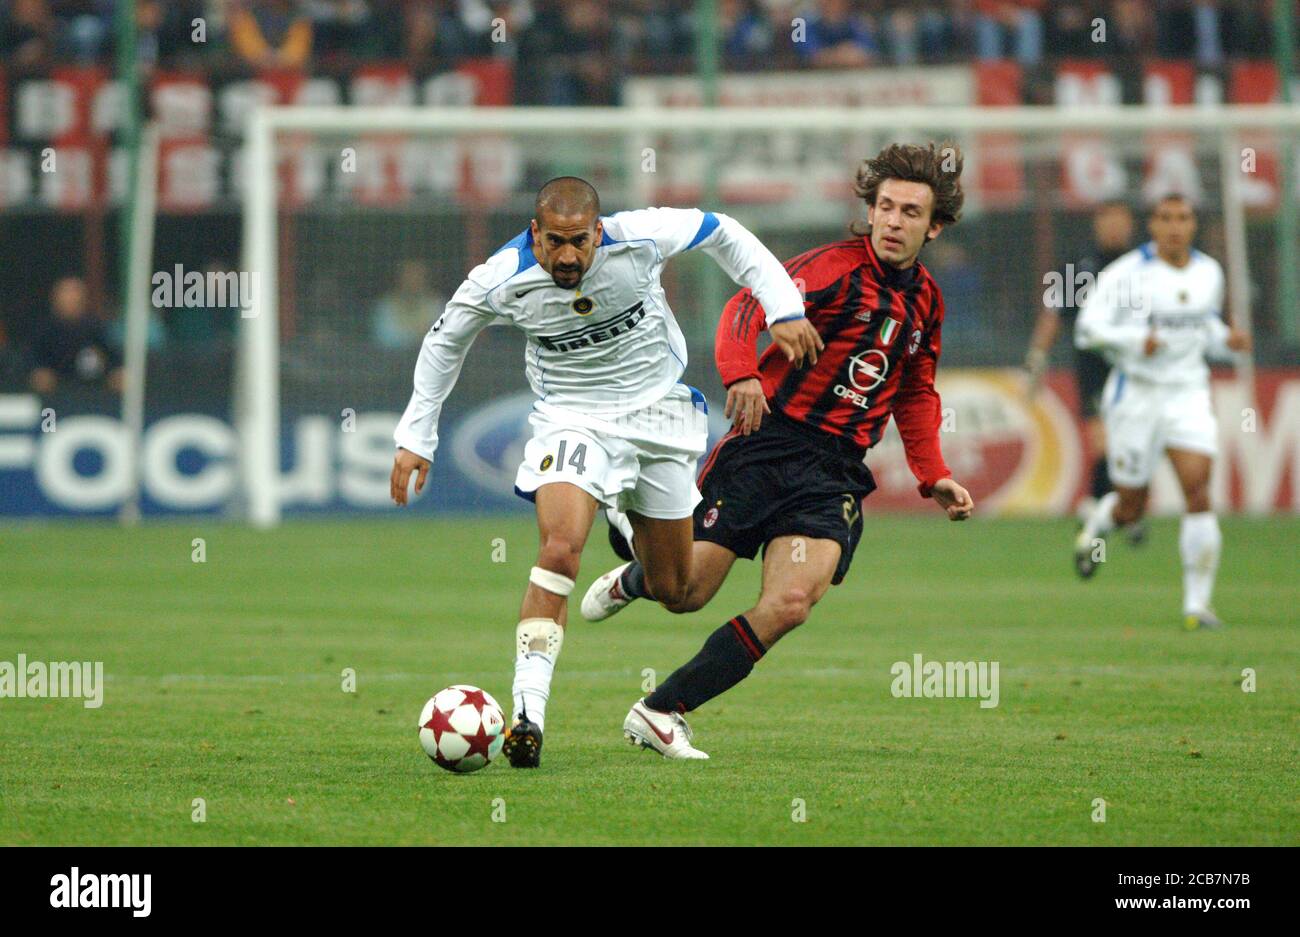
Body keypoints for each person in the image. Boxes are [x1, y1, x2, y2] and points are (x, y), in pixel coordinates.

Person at [389, 177, 821, 768]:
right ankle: (528, 717)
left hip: (659, 416)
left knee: (679, 591)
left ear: (598, 232)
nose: (567, 257)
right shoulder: (499, 278)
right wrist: (417, 436)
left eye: (579, 243)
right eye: (554, 243)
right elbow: (445, 343)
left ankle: (629, 569)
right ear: (534, 234)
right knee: (562, 548)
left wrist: (783, 306)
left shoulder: (640, 235)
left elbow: (726, 233)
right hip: (573, 419)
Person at [582, 143, 975, 760]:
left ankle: (660, 711)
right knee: (684, 594)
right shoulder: (830, 270)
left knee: (791, 602)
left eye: (911, 212)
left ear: (935, 226)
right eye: (886, 207)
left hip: (833, 474)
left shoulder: (927, 302)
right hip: (766, 445)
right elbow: (745, 304)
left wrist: (935, 475)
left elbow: (916, 391)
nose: (895, 221)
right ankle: (639, 560)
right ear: (870, 211)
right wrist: (742, 374)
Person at [1073, 193, 1250, 631]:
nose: (1175, 226)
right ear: (1151, 226)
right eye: (1166, 218)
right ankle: (1099, 521)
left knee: (1198, 489)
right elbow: (1086, 330)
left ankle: (1196, 606)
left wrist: (1225, 340)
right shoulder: (1126, 274)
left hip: (1188, 393)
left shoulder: (1210, 272)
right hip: (1137, 395)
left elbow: (1202, 327)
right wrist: (1136, 342)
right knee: (1132, 506)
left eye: (1184, 218)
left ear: (1193, 225)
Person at [1024, 200, 1135, 525]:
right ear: (1097, 225)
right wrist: (1037, 357)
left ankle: (1121, 507)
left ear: (1129, 225)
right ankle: (1098, 503)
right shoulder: (1080, 268)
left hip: (1135, 364)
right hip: (1094, 364)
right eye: (1108, 220)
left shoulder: (1143, 266)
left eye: (1120, 220)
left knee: (1131, 441)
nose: (1114, 227)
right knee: (1103, 439)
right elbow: (1054, 315)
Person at [29, 276, 123, 395]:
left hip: (96, 394)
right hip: (55, 397)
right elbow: (33, 362)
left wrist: (117, 374)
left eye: (75, 293)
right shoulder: (44, 331)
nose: (71, 298)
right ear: (55, 298)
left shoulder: (97, 328)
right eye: (66, 293)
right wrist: (38, 374)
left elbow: (115, 360)